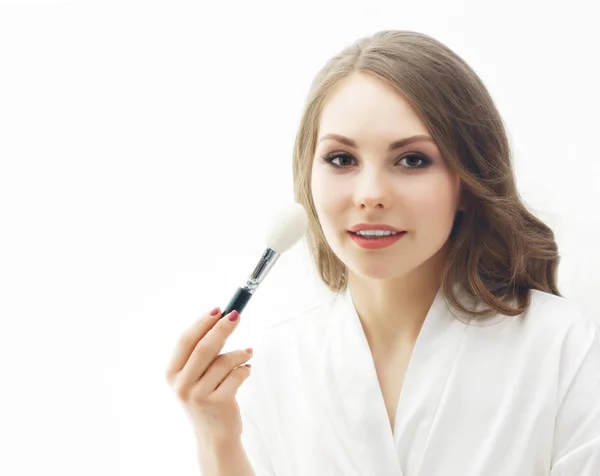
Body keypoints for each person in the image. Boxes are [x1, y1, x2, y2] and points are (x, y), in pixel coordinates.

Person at [167, 30, 600, 475]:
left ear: (467, 181)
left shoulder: (561, 346)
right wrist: (217, 438)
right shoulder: (276, 367)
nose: (370, 195)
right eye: (341, 160)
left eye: (412, 160)